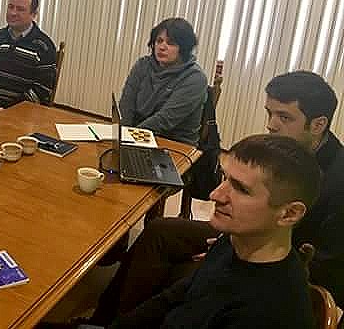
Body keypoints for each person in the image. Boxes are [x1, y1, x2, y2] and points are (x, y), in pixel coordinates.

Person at [86, 70, 344, 326]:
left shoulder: (338, 182)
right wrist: (227, 242)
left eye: (284, 117)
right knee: (161, 230)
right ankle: (105, 318)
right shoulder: (280, 148)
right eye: (270, 113)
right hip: (255, 233)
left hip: (275, 251)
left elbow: (329, 267)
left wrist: (241, 246)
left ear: (318, 124)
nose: (271, 125)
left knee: (193, 273)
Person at [91, 135, 319, 329]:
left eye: (241, 189)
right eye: (225, 178)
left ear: (289, 214)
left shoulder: (266, 314)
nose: (215, 195)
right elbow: (176, 295)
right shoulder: (234, 241)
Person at [119, 17, 208, 145]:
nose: (162, 47)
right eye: (159, 41)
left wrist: (129, 136)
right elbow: (126, 104)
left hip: (174, 143)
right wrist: (124, 133)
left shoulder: (195, 78)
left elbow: (165, 120)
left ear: (184, 48)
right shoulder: (142, 65)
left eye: (170, 43)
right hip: (137, 135)